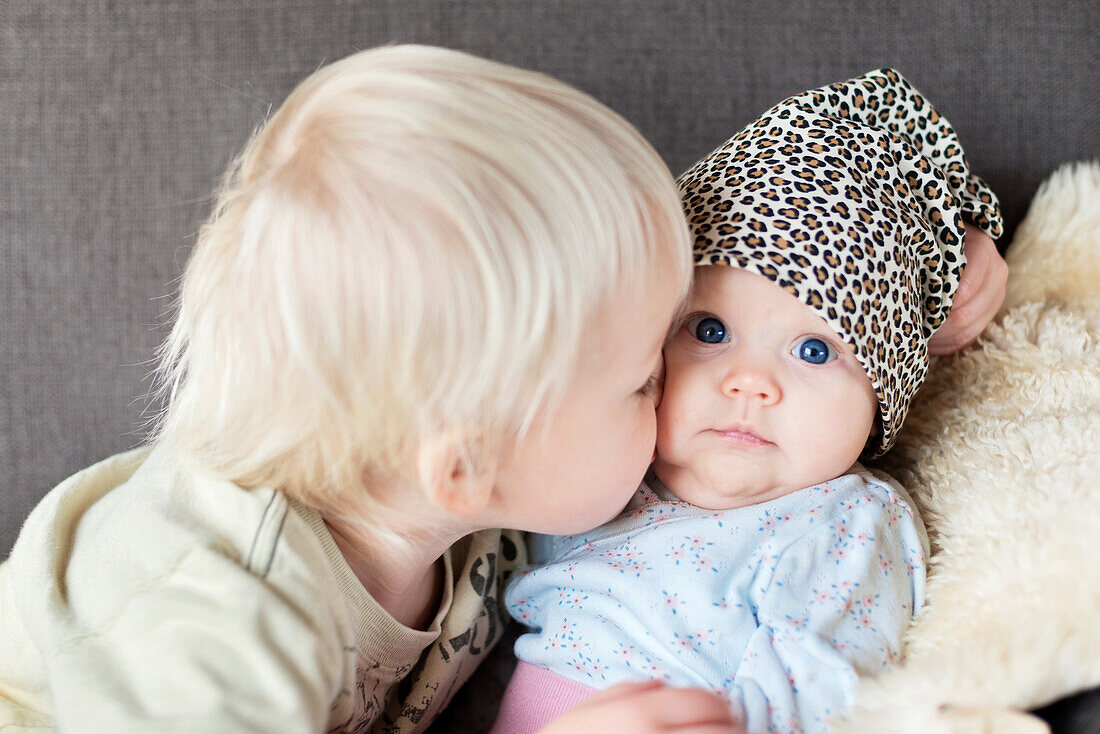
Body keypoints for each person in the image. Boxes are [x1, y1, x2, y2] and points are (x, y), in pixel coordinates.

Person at [0, 44, 751, 734]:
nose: (683, 387)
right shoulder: (219, 613)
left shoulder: (489, 504)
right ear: (463, 465)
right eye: (643, 377)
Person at [493, 69, 1004, 734]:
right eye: (710, 331)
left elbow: (822, 694)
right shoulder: (609, 453)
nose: (750, 383)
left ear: (884, 397)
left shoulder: (842, 522)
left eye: (815, 350)